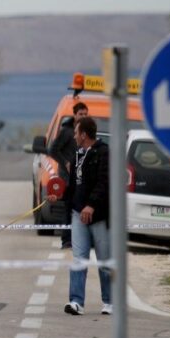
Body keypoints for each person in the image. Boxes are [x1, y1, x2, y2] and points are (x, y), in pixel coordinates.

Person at [49, 116, 111, 316]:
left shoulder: (104, 153)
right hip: (78, 214)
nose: (74, 136)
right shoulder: (77, 155)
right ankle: (76, 302)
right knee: (79, 259)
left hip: (99, 216)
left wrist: (91, 205)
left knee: (104, 260)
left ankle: (109, 302)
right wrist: (59, 196)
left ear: (84, 134)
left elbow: (104, 183)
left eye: (76, 133)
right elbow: (74, 186)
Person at [48, 101, 89, 249]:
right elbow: (53, 150)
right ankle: (66, 240)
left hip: (81, 177)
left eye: (85, 114)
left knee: (81, 208)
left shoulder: (87, 131)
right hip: (67, 178)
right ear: (74, 115)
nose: (83, 116)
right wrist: (65, 162)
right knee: (68, 209)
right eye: (80, 114)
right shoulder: (66, 131)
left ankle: (81, 239)